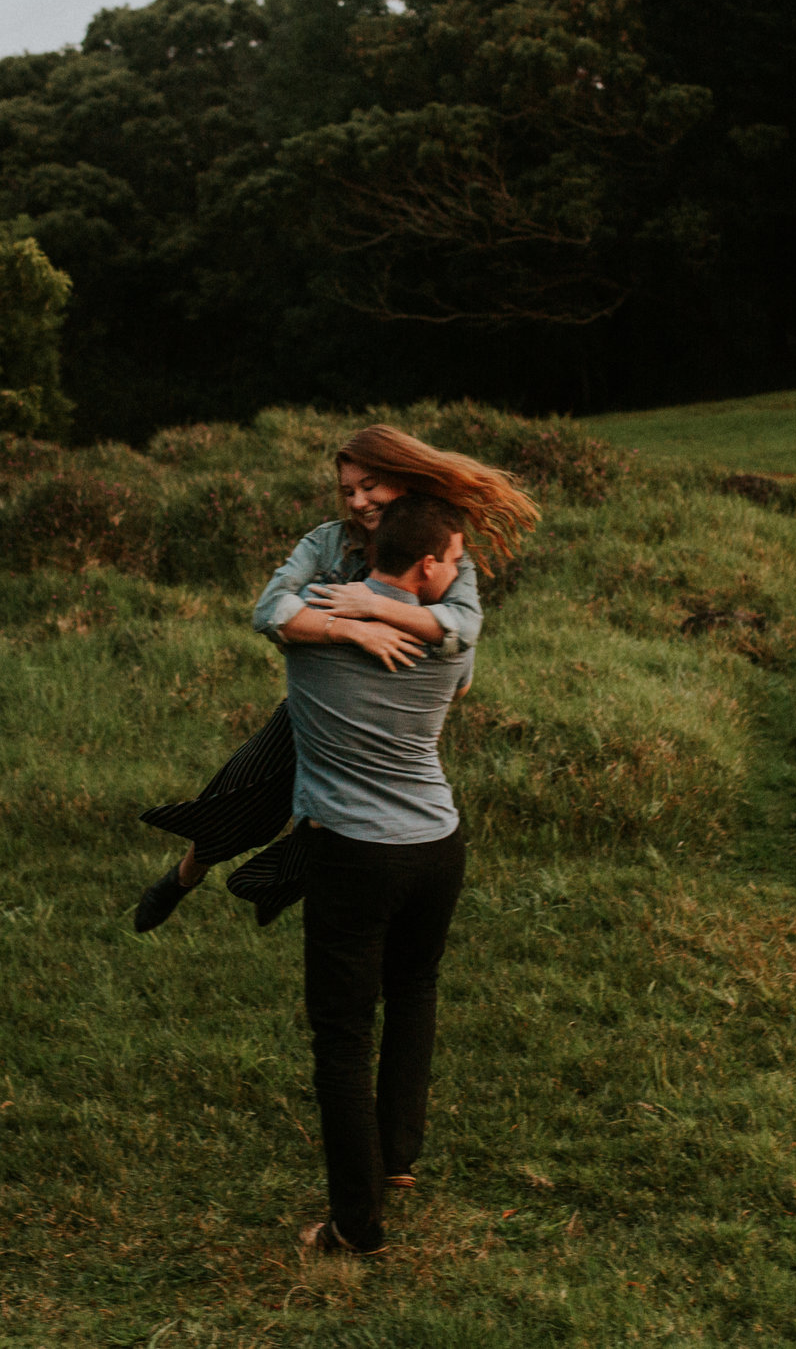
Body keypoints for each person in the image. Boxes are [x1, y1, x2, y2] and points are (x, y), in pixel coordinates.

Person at [131, 425, 536, 929]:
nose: (360, 502)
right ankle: (182, 879)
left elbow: (464, 627)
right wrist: (348, 631)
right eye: (349, 491)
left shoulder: (444, 545)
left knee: (343, 819)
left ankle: (281, 882)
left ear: (404, 479)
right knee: (243, 794)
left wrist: (372, 604)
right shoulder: (328, 543)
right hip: (318, 703)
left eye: (371, 485)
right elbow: (268, 612)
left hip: (390, 713)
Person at [279, 493, 478, 1257]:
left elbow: (272, 611)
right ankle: (397, 1158)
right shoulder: (453, 644)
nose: (459, 574)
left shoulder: (311, 625)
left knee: (342, 1034)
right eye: (455, 561)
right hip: (437, 842)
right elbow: (459, 664)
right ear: (426, 566)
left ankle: (354, 1228)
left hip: (354, 851)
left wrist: (345, 617)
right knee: (415, 986)